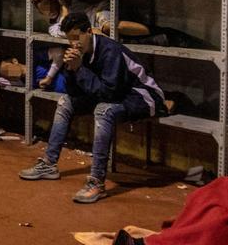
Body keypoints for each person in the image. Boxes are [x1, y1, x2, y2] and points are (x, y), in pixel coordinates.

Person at [19, 12, 166, 205]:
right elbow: (74, 91)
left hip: (143, 96)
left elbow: (108, 93)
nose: (74, 43)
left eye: (77, 37)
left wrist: (79, 69)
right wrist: (71, 69)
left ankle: (97, 181)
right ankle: (49, 164)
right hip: (114, 95)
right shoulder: (79, 52)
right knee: (65, 102)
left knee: (103, 110)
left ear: (89, 31)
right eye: (69, 39)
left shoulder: (110, 51)